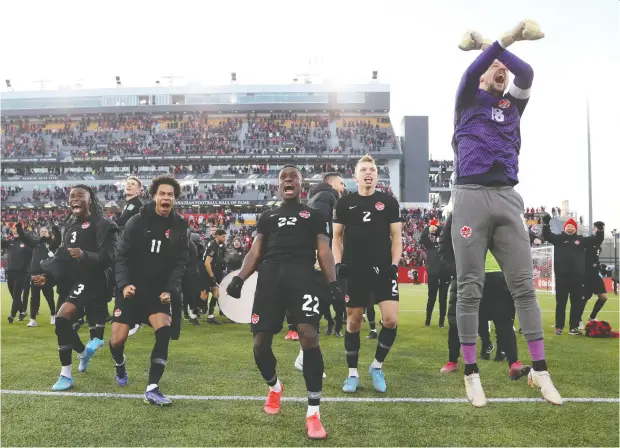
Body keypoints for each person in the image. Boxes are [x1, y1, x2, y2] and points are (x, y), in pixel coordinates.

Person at [451, 21, 561, 406]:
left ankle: (541, 371)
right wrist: (498, 42)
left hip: (507, 197)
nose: (502, 69)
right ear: (483, 73)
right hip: (469, 195)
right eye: (494, 66)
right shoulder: (467, 99)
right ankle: (470, 374)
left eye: (504, 67)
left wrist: (491, 45)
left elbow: (527, 72)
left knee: (524, 287)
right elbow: (469, 71)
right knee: (469, 288)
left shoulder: (512, 103)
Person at [226, 165, 343, 440]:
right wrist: (240, 278)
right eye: (283, 177)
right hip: (269, 279)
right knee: (259, 343)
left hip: (302, 277)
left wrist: (333, 283)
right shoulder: (267, 216)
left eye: (293, 177)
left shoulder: (314, 215)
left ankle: (313, 413)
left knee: (309, 336)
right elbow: (255, 251)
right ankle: (275, 387)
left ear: (301, 185)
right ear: (279, 186)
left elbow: (323, 250)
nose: (288, 180)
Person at [110, 175, 189, 406]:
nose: (166, 198)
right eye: (162, 193)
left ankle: (153, 387)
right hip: (131, 290)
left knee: (163, 330)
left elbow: (181, 262)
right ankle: (119, 362)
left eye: (170, 195)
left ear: (174, 199)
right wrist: (124, 285)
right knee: (117, 341)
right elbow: (121, 256)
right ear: (154, 196)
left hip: (157, 292)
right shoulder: (137, 221)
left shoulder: (180, 226)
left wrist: (170, 289)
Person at [332, 154, 402, 394]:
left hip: (383, 269)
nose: (368, 173)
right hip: (355, 269)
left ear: (377, 175)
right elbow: (336, 238)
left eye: (372, 169)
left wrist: (394, 264)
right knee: (353, 322)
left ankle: (376, 366)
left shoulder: (389, 203)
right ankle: (352, 374)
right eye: (363, 169)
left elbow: (397, 238)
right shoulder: (343, 204)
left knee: (391, 320)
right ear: (355, 176)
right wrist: (339, 263)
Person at [40, 185, 119, 391]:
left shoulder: (104, 224)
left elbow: (110, 257)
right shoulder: (70, 227)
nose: (74, 199)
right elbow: (62, 259)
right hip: (74, 282)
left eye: (80, 196)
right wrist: (47, 277)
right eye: (71, 196)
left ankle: (65, 375)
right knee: (62, 323)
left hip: (95, 281)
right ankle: (83, 354)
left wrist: (85, 255)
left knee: (63, 317)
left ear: (90, 200)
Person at [438, 213, 530, 380]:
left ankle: (514, 363)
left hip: (496, 278)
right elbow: (443, 247)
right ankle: (453, 361)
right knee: (457, 323)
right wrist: (457, 271)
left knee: (503, 321)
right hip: (465, 279)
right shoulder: (457, 216)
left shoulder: (497, 213)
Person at [542, 216, 604, 335]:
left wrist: (600, 230)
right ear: (565, 227)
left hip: (578, 276)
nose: (570, 227)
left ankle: (573, 327)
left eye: (572, 226)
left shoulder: (581, 240)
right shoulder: (559, 239)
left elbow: (597, 240)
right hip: (561, 275)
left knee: (576, 302)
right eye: (568, 226)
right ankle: (559, 327)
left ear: (575, 228)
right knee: (561, 302)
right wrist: (545, 224)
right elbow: (547, 235)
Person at [114, 176, 144, 336]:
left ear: (139, 190)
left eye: (133, 184)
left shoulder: (137, 205)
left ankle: (136, 320)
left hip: (134, 250)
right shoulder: (129, 205)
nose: (129, 186)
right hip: (127, 248)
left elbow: (123, 222)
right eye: (128, 184)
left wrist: (108, 226)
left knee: (131, 282)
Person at [16, 222, 61, 326]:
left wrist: (56, 230)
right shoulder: (36, 243)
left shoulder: (52, 244)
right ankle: (32, 319)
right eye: (41, 231)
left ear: (49, 233)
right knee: (34, 297)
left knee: (49, 296)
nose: (43, 233)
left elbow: (58, 240)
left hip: (47, 274)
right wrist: (19, 229)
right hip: (35, 273)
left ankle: (53, 316)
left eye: (45, 231)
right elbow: (25, 238)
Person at [420, 219, 450, 327]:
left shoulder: (446, 246)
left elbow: (446, 233)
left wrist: (438, 228)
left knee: (443, 298)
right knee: (431, 297)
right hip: (433, 274)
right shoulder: (430, 246)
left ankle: (441, 322)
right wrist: (429, 228)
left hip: (444, 273)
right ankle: (428, 319)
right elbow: (422, 237)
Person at [2, 225, 33, 323]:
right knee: (13, 294)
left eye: (17, 230)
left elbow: (33, 255)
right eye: (13, 230)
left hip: (21, 273)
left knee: (16, 294)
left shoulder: (26, 243)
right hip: (10, 272)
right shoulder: (9, 242)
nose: (15, 231)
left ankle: (12, 315)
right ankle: (22, 311)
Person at [580, 221, 609, 322]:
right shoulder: (589, 240)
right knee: (584, 298)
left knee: (604, 297)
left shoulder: (598, 242)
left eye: (602, 229)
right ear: (594, 229)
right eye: (599, 228)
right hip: (586, 274)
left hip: (595, 274)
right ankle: (578, 320)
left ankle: (592, 317)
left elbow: (599, 238)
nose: (601, 231)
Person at [203, 229, 227, 324]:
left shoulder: (219, 246)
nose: (225, 238)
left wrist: (222, 264)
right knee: (204, 295)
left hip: (215, 273)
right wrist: (212, 276)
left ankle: (210, 316)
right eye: (223, 237)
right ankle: (194, 313)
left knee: (216, 294)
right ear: (217, 236)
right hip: (208, 274)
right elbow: (207, 263)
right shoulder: (213, 246)